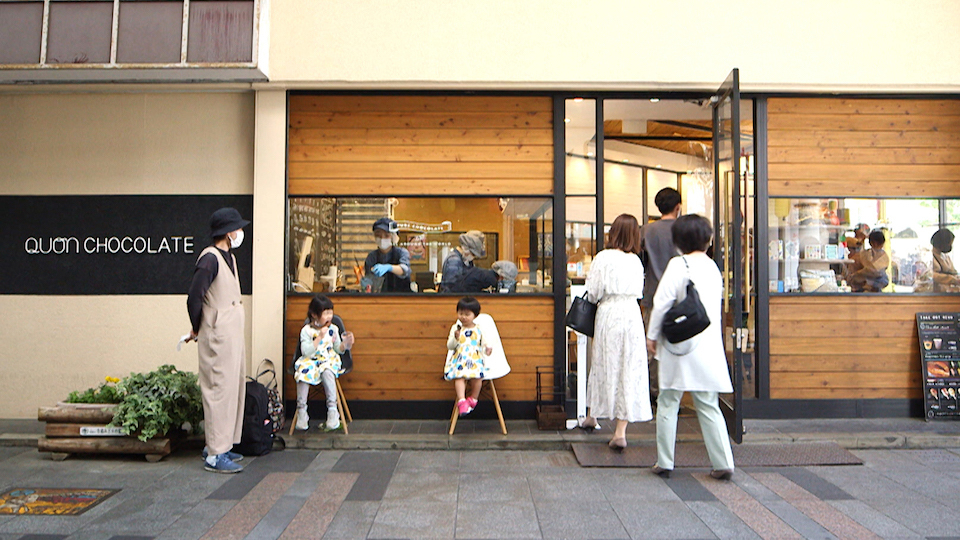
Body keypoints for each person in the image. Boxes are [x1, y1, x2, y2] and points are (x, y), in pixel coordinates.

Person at [645, 214, 735, 481]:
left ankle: (665, 461)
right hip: (706, 344)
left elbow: (661, 303)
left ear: (678, 241)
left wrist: (651, 336)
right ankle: (723, 462)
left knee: (668, 401)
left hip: (679, 343)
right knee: (708, 404)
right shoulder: (712, 267)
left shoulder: (678, 264)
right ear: (707, 240)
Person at [186, 207, 250, 474]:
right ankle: (214, 453)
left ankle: (222, 444)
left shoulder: (229, 258)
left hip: (231, 335)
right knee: (218, 391)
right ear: (227, 232)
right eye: (237, 228)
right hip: (218, 334)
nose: (240, 232)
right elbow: (194, 296)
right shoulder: (210, 259)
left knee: (233, 387)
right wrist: (196, 327)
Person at [584, 213, 652, 452]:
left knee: (603, 363)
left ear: (612, 232)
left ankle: (593, 414)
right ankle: (620, 431)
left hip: (609, 312)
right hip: (632, 315)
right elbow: (640, 291)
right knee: (628, 368)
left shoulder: (603, 257)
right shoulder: (636, 260)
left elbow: (592, 292)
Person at [639, 187, 682, 404]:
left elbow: (639, 264)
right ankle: (672, 392)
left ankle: (653, 393)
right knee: (678, 345)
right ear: (678, 207)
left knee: (651, 346)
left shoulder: (645, 231)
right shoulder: (683, 230)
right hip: (679, 298)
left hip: (652, 296)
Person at [293, 294, 355, 431]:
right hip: (311, 359)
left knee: (328, 371)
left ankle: (332, 411)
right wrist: (320, 336)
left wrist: (346, 344)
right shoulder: (306, 331)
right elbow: (306, 352)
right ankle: (302, 411)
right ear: (314, 314)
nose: (329, 316)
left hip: (328, 358)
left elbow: (338, 349)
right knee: (302, 373)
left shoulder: (333, 329)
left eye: (330, 312)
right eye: (325, 313)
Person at [444, 297, 493, 416]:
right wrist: (456, 338)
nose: (463, 317)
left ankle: (473, 399)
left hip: (475, 359)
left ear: (475, 315)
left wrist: (488, 349)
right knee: (459, 376)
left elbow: (484, 344)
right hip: (460, 358)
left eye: (467, 314)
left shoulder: (479, 329)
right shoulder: (456, 329)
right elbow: (450, 346)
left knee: (478, 377)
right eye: (461, 313)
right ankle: (461, 400)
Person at [363, 218, 412, 293]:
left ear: (393, 237)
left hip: (402, 298)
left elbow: (404, 270)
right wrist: (366, 283)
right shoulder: (372, 256)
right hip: (379, 299)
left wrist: (389, 267)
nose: (382, 239)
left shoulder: (401, 253)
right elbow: (369, 279)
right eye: (378, 235)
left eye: (386, 235)